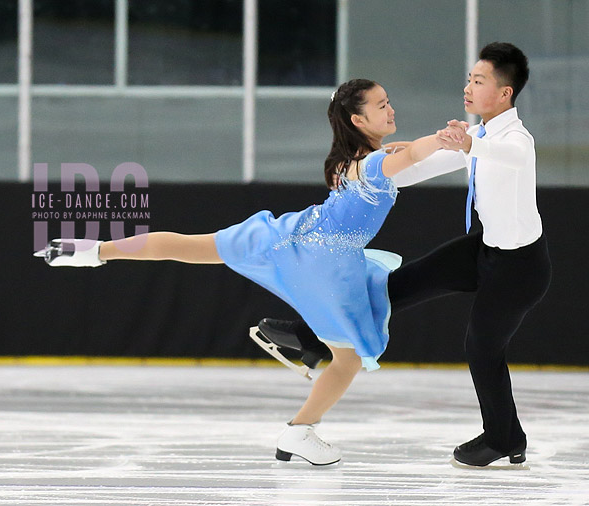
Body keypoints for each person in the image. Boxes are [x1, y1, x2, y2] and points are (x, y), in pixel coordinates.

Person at [34, 79, 452, 466]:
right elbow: (415, 155)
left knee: (189, 245)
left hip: (287, 236)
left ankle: (92, 250)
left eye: (388, 102)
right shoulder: (375, 163)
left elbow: (414, 155)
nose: (390, 109)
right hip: (324, 263)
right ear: (358, 120)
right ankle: (299, 431)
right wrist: (447, 139)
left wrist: (458, 144)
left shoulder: (358, 159)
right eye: (382, 105)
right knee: (347, 357)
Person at [256, 42, 552, 468]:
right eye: (469, 78)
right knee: (394, 287)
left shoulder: (513, 139)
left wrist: (467, 144)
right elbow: (413, 170)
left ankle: (503, 438)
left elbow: (511, 156)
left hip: (520, 266)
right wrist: (371, 170)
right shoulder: (479, 136)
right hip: (483, 249)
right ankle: (309, 338)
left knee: (482, 346)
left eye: (479, 80)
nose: (468, 86)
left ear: (504, 93)